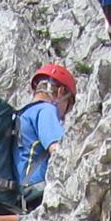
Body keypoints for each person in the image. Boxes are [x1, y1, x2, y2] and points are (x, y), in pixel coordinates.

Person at [17, 62, 76, 204]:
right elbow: (58, 150)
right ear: (61, 91)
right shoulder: (46, 110)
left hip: (19, 193)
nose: (63, 116)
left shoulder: (22, 114)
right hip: (36, 191)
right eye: (67, 106)